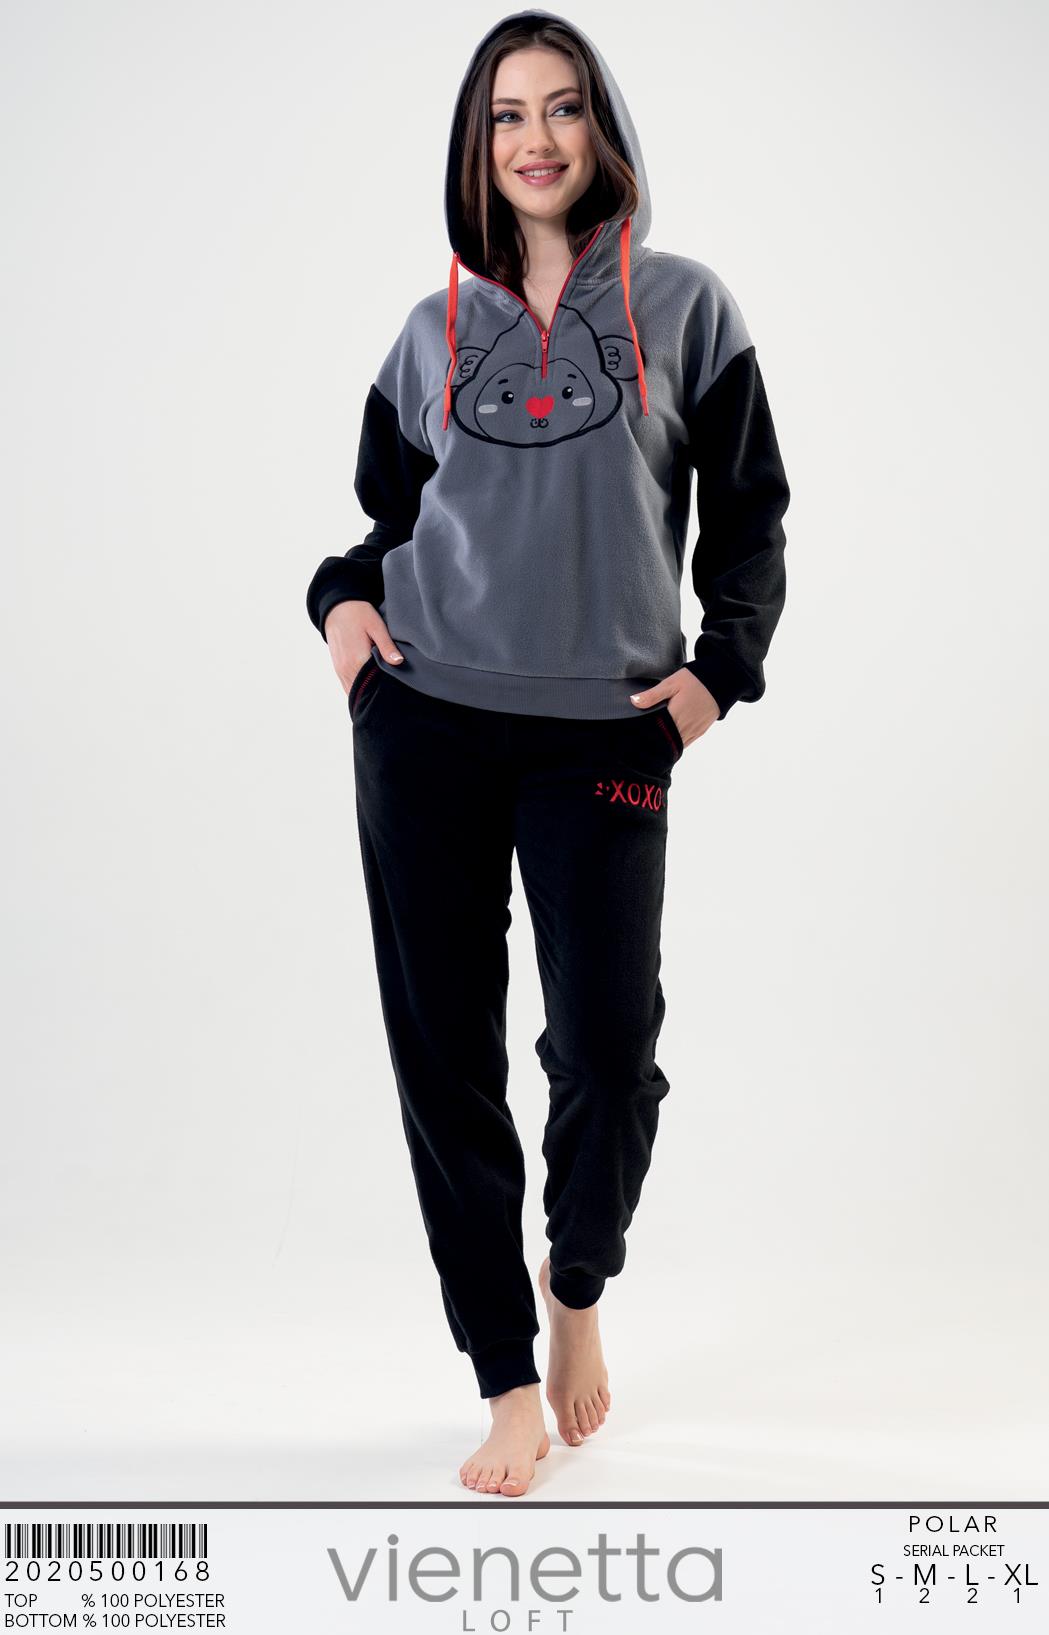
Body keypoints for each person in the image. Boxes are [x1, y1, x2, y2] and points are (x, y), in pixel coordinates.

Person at [306, 7, 790, 1498]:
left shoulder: (687, 307)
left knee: (608, 1052)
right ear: (477, 144)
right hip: (426, 719)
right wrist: (340, 609)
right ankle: (503, 1375)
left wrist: (717, 676)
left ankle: (575, 1281)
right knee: (444, 1057)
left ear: (602, 127)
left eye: (562, 107)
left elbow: (751, 515)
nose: (535, 138)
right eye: (507, 114)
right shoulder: (429, 327)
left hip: (605, 731)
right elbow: (387, 524)